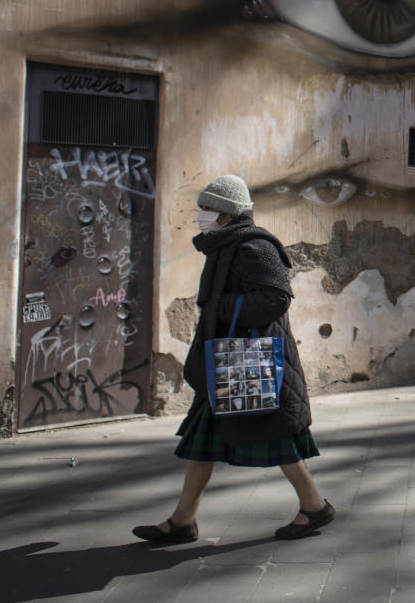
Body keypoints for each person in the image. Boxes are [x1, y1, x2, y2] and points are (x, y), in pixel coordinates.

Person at [133, 175, 335, 543]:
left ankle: (315, 506)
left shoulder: (253, 248)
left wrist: (221, 306)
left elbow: (277, 298)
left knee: (278, 438)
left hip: (249, 364)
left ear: (226, 213)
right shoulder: (225, 245)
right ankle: (183, 520)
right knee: (202, 442)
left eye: (208, 209)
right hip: (225, 363)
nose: (201, 215)